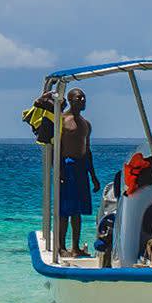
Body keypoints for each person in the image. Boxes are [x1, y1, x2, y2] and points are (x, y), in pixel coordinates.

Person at [55, 88, 100, 256]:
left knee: (77, 210)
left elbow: (87, 151)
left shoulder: (86, 124)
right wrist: (58, 171)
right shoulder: (62, 120)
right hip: (67, 166)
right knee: (65, 210)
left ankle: (75, 247)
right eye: (78, 97)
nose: (82, 100)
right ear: (71, 100)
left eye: (84, 97)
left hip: (81, 167)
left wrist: (93, 176)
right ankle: (61, 246)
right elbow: (56, 148)